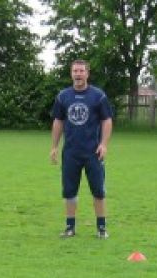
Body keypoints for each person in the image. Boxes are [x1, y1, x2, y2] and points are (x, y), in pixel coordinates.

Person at [49, 59, 114, 239]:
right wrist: (54, 147)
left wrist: (104, 144)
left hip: (93, 152)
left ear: (87, 73)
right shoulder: (63, 97)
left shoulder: (98, 96)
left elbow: (107, 120)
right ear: (71, 74)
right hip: (71, 153)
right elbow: (58, 121)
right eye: (75, 71)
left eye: (81, 71)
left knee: (98, 191)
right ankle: (70, 228)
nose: (78, 74)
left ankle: (101, 228)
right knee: (69, 191)